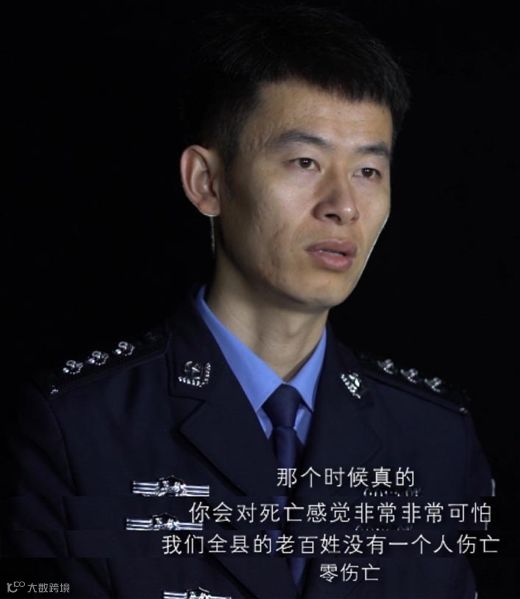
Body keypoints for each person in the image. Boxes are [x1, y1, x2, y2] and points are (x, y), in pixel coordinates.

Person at [3, 5, 493, 598]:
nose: (343, 206)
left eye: (368, 170)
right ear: (207, 182)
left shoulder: (435, 438)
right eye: (305, 162)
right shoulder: (77, 428)